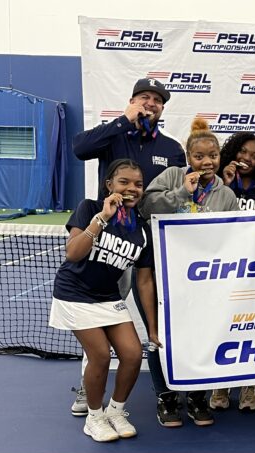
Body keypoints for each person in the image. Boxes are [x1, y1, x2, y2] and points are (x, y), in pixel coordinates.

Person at [69, 78, 186, 418]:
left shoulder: (172, 148)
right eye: (145, 98)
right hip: (111, 243)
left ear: (163, 109)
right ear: (132, 101)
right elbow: (78, 148)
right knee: (99, 314)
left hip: (156, 245)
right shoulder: (112, 135)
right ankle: (89, 386)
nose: (151, 104)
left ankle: (170, 387)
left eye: (157, 100)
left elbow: (178, 197)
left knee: (159, 315)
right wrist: (123, 120)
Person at [139, 118, 244, 424]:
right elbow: (146, 207)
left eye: (212, 155)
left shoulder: (225, 195)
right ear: (188, 158)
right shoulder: (172, 176)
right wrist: (182, 194)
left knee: (198, 336)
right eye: (199, 156)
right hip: (159, 274)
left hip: (200, 280)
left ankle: (197, 396)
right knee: (158, 338)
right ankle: (167, 398)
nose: (207, 161)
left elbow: (233, 236)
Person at [49, 159, 160, 442]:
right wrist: (102, 218)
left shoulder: (143, 230)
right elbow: (73, 253)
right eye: (124, 182)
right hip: (74, 293)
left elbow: (145, 281)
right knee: (99, 355)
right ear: (109, 185)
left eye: (138, 184)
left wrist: (153, 328)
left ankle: (115, 411)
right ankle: (94, 417)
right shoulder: (89, 208)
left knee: (133, 355)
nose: (132, 189)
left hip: (107, 297)